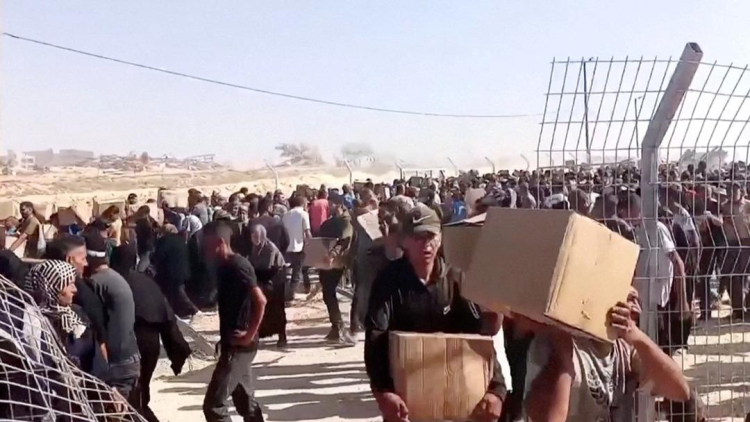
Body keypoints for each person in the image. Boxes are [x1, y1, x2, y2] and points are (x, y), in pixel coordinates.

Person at [365, 204, 506, 422]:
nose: (426, 244)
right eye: (418, 237)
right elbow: (376, 338)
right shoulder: (388, 282)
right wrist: (383, 392)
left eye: (431, 236)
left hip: (453, 391)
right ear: (405, 242)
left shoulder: (455, 279)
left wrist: (497, 389)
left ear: (440, 239)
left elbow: (478, 340)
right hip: (407, 397)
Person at [524, 288, 690, 421]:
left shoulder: (625, 352)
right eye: (628, 299)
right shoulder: (557, 345)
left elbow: (680, 390)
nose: (635, 308)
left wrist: (636, 336)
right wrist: (564, 362)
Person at [110, 244, 191, 422]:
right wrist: (178, 347)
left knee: (131, 393)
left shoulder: (112, 282)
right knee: (141, 388)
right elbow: (167, 316)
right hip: (151, 343)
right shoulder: (146, 282)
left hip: (129, 343)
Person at [202, 221, 267, 422]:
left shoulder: (238, 265)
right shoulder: (222, 267)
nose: (205, 250)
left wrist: (248, 335)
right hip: (232, 342)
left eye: (207, 245)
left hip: (240, 346)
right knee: (246, 403)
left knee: (214, 406)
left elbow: (260, 300)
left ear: (220, 242)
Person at [618, 192, 689, 351]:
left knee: (660, 346)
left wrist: (682, 300)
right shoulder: (637, 231)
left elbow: (677, 262)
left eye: (624, 213)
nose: (624, 219)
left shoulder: (656, 229)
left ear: (631, 210)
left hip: (657, 301)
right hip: (644, 301)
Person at [85, 232, 141, 404]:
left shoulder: (96, 282)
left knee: (114, 412)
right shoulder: (113, 278)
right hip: (129, 357)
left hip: (117, 363)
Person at [317, 195, 356, 345]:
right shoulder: (333, 221)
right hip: (327, 259)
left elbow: (344, 241)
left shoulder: (347, 221)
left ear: (339, 205)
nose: (329, 206)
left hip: (337, 261)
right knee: (328, 292)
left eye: (331, 204)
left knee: (329, 291)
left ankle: (339, 326)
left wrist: (333, 254)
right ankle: (336, 326)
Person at [248, 224, 287, 348]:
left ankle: (282, 335)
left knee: (277, 308)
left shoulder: (269, 248)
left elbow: (266, 268)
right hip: (264, 278)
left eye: (257, 236)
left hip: (276, 278)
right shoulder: (254, 247)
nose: (255, 239)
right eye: (253, 236)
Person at [153, 224, 199, 320]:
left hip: (170, 273)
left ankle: (192, 309)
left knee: (177, 292)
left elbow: (158, 257)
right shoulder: (181, 240)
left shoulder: (163, 241)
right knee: (178, 291)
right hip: (184, 270)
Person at [720, 181, 750, 320]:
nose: (730, 193)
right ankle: (737, 309)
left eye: (733, 190)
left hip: (745, 242)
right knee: (730, 275)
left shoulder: (747, 205)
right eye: (728, 190)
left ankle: (745, 308)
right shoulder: (724, 206)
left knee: (743, 276)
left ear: (741, 191)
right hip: (730, 243)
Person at [282, 195, 311, 298]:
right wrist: (312, 244)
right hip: (299, 246)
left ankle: (286, 292)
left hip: (286, 247)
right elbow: (307, 232)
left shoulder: (286, 215)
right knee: (297, 272)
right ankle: (291, 294)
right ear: (302, 204)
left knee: (287, 272)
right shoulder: (304, 214)